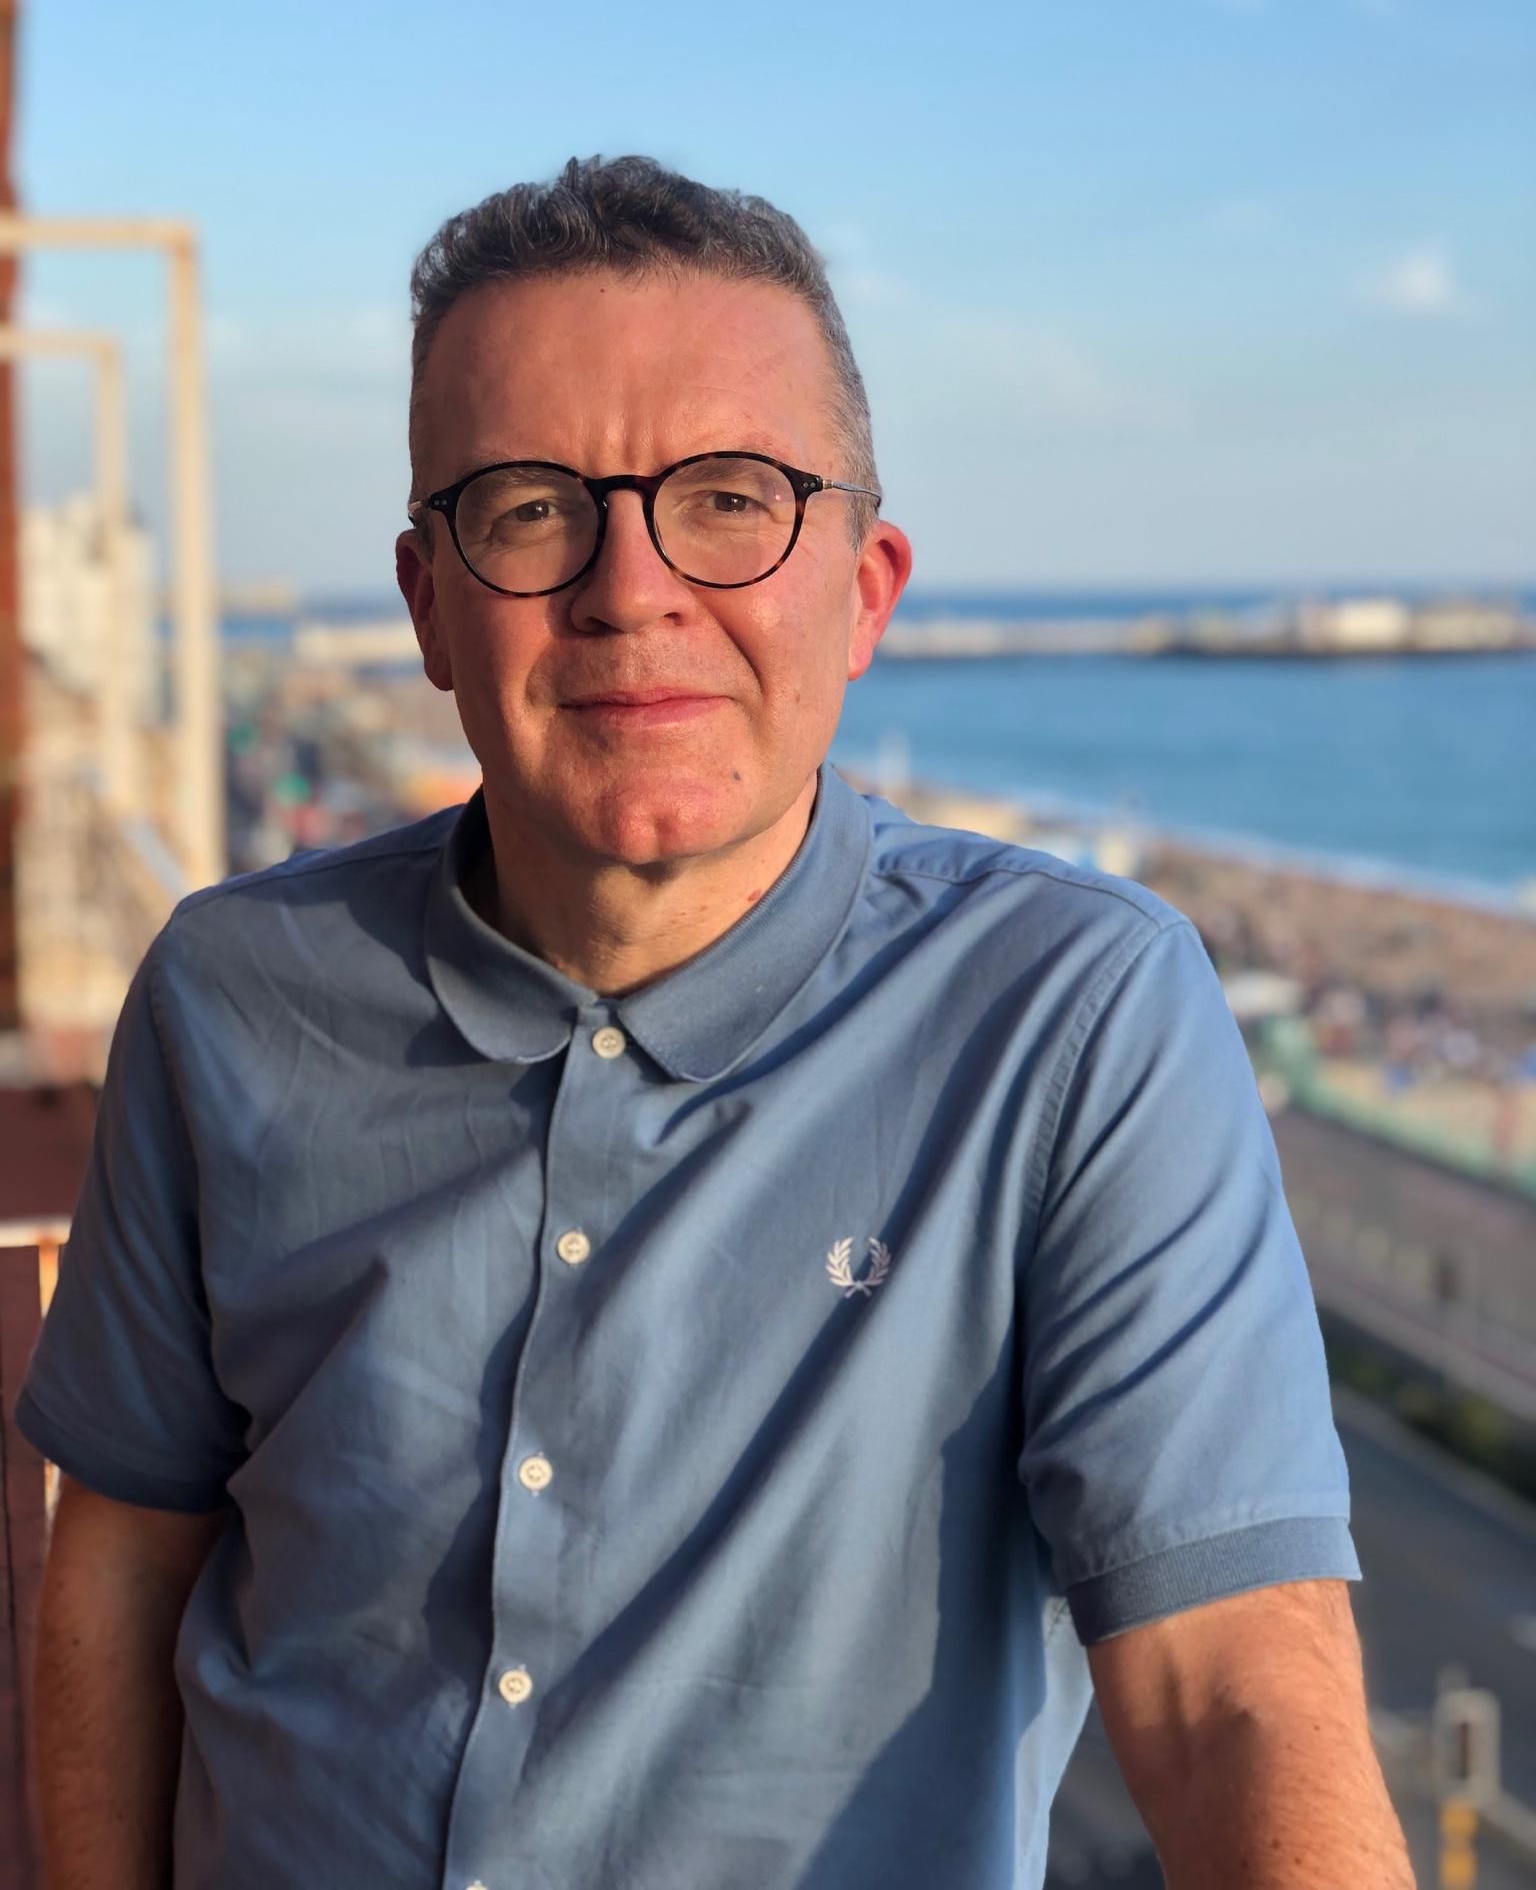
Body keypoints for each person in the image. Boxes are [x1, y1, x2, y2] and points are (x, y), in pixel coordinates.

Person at [19, 155, 1412, 1890]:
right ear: (427, 604)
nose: (630, 589)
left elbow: (1231, 1686)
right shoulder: (229, 995)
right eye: (531, 507)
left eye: (731, 499)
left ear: (868, 589)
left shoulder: (1073, 1021)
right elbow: (124, 1565)